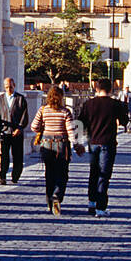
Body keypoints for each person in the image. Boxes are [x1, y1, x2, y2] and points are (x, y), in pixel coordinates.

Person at [78, 78, 130, 216]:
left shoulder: (88, 104)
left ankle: (92, 202)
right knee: (104, 175)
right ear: (111, 90)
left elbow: (80, 123)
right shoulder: (116, 104)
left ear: (96, 88)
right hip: (108, 142)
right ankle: (101, 207)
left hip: (93, 142)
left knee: (94, 172)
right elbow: (125, 121)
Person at [31, 86, 76, 214]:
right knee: (62, 174)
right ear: (61, 97)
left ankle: (49, 202)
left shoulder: (43, 110)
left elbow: (34, 126)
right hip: (61, 145)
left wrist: (43, 129)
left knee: (49, 174)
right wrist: (76, 145)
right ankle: (57, 194)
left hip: (46, 144)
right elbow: (71, 131)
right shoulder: (65, 112)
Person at [0, 77, 29, 185]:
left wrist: (19, 128)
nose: (9, 89)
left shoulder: (20, 98)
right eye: (6, 87)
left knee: (17, 156)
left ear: (14, 86)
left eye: (11, 87)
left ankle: (15, 176)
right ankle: (2, 176)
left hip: (16, 133)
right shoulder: (0, 99)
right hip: (5, 132)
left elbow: (24, 115)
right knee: (4, 156)